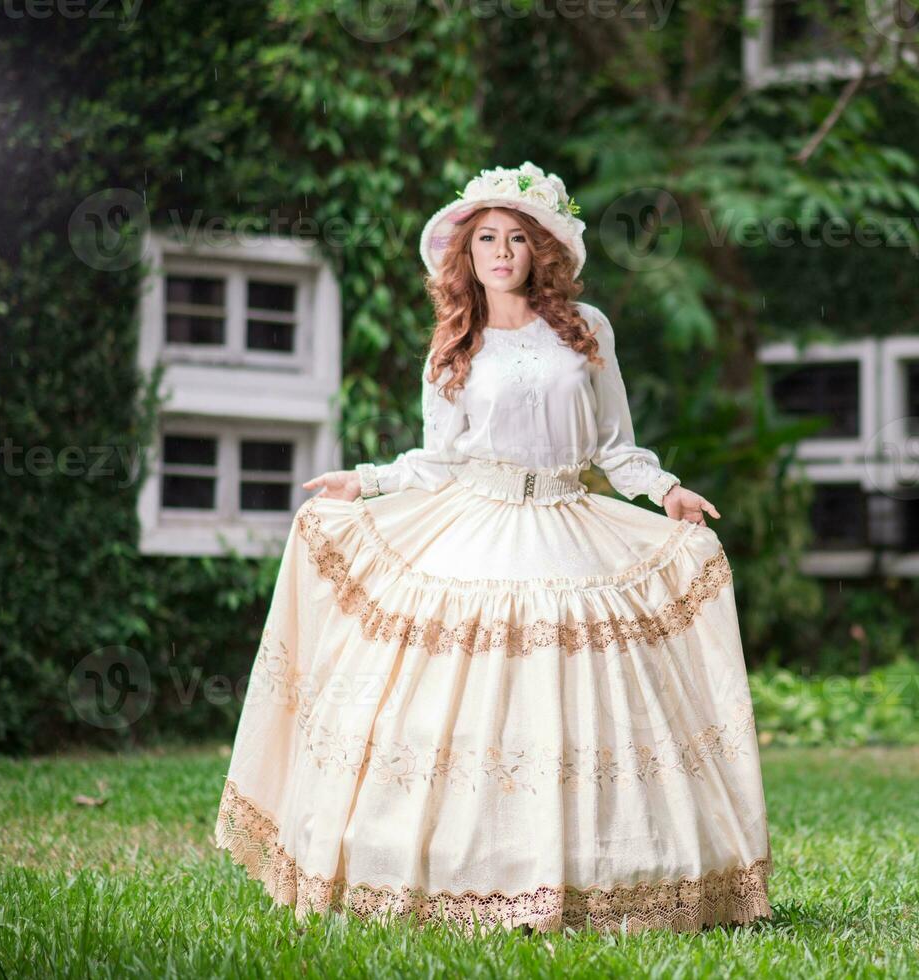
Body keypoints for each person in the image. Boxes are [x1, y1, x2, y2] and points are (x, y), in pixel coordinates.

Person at [212, 162, 774, 935]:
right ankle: (459, 870)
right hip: (476, 525)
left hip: (573, 525)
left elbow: (616, 446)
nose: (501, 251)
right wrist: (367, 483)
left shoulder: (588, 329)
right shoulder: (454, 341)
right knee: (457, 705)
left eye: (515, 237)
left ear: (541, 248)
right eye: (486, 238)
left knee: (582, 704)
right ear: (466, 253)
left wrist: (666, 490)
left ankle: (603, 875)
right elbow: (435, 459)